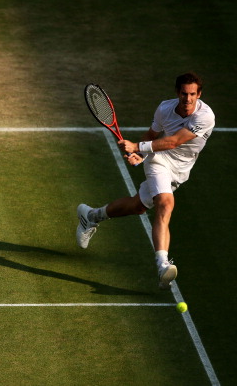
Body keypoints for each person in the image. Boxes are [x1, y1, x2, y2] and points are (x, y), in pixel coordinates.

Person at [76, 72, 215, 289]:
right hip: (159, 161)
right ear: (177, 92)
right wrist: (141, 154)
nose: (187, 99)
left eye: (192, 94)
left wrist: (136, 148)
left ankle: (91, 216)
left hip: (181, 170)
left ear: (199, 94)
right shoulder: (164, 109)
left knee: (138, 206)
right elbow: (152, 135)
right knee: (166, 203)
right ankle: (162, 265)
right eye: (183, 94)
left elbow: (174, 141)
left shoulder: (205, 116)